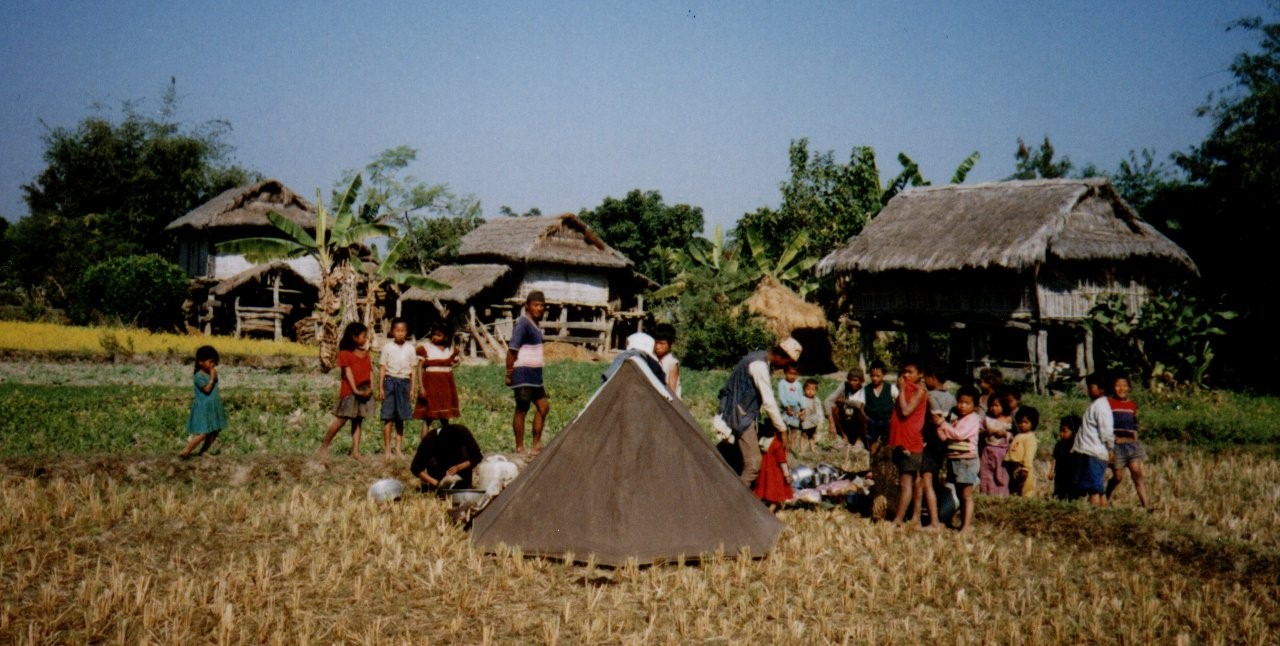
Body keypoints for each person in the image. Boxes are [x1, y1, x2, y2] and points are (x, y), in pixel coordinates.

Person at [712, 338, 803, 487]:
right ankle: (734, 500)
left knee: (730, 455)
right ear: (782, 356)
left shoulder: (759, 356)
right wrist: (782, 429)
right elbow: (769, 402)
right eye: (785, 364)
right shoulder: (759, 366)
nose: (783, 368)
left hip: (738, 411)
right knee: (754, 464)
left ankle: (721, 485)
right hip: (739, 416)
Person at [319, 323, 375, 458]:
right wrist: (355, 390)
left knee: (358, 420)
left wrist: (371, 387)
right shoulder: (345, 353)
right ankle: (324, 447)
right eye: (363, 336)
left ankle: (355, 452)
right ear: (354, 337)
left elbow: (370, 371)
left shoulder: (366, 354)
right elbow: (348, 373)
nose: (366, 339)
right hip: (350, 391)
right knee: (341, 420)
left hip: (364, 389)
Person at [507, 291, 550, 456]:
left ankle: (536, 445)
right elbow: (512, 350)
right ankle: (520, 447)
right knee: (522, 409)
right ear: (527, 306)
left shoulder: (535, 324)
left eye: (542, 306)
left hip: (535, 375)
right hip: (523, 373)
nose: (539, 308)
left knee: (544, 407)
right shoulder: (523, 323)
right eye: (536, 305)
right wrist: (509, 373)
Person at [934, 386, 982, 532]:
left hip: (966, 460)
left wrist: (942, 424)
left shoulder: (973, 419)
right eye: (960, 402)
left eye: (967, 403)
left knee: (966, 495)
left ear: (975, 406)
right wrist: (939, 427)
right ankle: (963, 524)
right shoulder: (958, 419)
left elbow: (958, 435)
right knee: (961, 494)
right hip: (955, 459)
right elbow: (946, 437)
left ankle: (966, 526)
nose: (962, 406)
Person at [889, 359, 929, 528]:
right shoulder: (908, 389)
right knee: (909, 481)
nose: (905, 375)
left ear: (920, 375)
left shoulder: (919, 391)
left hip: (910, 442)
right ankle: (914, 517)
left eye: (910, 372)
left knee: (906, 483)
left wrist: (902, 390)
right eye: (904, 371)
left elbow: (905, 411)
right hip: (902, 440)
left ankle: (898, 519)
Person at [1105, 375, 1151, 509]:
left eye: (1124, 385)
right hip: (1116, 445)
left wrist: (1135, 438)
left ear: (1129, 388)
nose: (1121, 388)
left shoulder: (1132, 405)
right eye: (1118, 385)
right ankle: (1105, 495)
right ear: (1113, 387)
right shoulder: (1109, 404)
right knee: (1118, 477)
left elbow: (1134, 425)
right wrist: (1110, 446)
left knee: (1137, 472)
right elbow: (1105, 425)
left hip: (1131, 444)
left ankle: (1146, 506)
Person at [1072, 373, 1115, 507]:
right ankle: (1102, 516)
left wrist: (1110, 448)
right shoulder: (1098, 405)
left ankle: (1094, 516)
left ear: (1101, 389)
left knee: (1093, 490)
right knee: (1098, 489)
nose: (1089, 390)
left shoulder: (1101, 407)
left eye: (1091, 387)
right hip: (1092, 452)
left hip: (1094, 453)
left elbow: (1106, 431)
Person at [920, 365, 956, 527]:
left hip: (931, 441)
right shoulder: (951, 398)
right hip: (944, 442)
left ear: (932, 378)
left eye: (926, 378)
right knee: (933, 478)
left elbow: (935, 419)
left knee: (926, 480)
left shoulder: (930, 396)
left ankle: (934, 520)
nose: (924, 381)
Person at [378, 318, 418, 458]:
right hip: (390, 381)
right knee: (388, 417)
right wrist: (381, 388)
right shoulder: (387, 347)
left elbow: (413, 370)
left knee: (400, 418)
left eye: (403, 331)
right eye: (397, 330)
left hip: (404, 383)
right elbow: (382, 368)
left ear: (406, 332)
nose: (400, 333)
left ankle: (398, 449)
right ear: (392, 331)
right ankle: (387, 450)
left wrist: (412, 389)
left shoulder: (410, 348)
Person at [415, 323, 461, 439]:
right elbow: (419, 367)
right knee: (428, 417)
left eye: (439, 335)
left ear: (445, 337)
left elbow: (455, 362)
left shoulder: (450, 349)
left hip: (446, 385)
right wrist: (421, 386)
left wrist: (455, 363)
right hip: (431, 385)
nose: (435, 337)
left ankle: (446, 445)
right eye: (433, 334)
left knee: (445, 417)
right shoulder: (426, 348)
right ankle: (424, 447)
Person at [181, 345, 228, 459]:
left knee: (214, 431)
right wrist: (212, 379)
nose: (213, 365)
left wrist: (213, 376)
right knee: (203, 432)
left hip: (212, 406)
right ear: (201, 362)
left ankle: (202, 452)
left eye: (214, 362)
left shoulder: (211, 373)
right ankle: (187, 450)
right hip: (203, 407)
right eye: (210, 362)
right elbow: (207, 390)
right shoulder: (198, 376)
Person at [410, 423, 483, 491]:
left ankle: (463, 484)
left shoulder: (462, 432)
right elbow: (415, 468)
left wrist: (458, 467)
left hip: (461, 475)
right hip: (440, 476)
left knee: (466, 452)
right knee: (432, 460)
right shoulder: (430, 440)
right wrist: (436, 483)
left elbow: (477, 456)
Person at [752, 425, 793, 511]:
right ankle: (769, 513)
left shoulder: (765, 441)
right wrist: (787, 475)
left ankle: (755, 509)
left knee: (763, 490)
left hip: (764, 472)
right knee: (775, 497)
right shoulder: (777, 444)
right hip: (775, 474)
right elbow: (782, 462)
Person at [979, 394, 1012, 496]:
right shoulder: (987, 419)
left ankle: (1001, 494)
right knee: (987, 472)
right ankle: (987, 493)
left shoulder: (1008, 419)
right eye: (991, 405)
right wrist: (986, 431)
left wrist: (1005, 434)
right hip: (988, 450)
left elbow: (1015, 436)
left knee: (1000, 473)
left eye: (997, 405)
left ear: (1003, 406)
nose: (994, 408)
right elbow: (978, 431)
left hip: (1002, 451)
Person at [862, 361, 898, 455]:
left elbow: (898, 402)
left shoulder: (890, 388)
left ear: (883, 375)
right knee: (872, 443)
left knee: (887, 443)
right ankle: (873, 460)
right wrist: (865, 417)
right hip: (872, 420)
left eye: (877, 376)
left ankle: (886, 457)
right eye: (872, 376)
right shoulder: (866, 389)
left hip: (887, 419)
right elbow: (861, 405)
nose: (874, 378)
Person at [825, 368, 867, 448]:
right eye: (850, 380)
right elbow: (828, 401)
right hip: (847, 417)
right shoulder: (844, 385)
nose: (852, 383)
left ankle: (860, 440)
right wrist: (831, 423)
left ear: (861, 381)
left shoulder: (865, 389)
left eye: (855, 380)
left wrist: (845, 401)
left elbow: (860, 405)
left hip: (860, 420)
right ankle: (844, 438)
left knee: (861, 411)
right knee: (834, 408)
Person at [1006, 406, 1040, 497]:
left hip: (1024, 468)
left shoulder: (1030, 438)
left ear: (1033, 423)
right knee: (1016, 487)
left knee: (1027, 488)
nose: (1022, 425)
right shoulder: (1019, 435)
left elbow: (1029, 454)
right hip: (1016, 467)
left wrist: (1026, 469)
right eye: (1020, 422)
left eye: (1026, 422)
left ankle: (1027, 502)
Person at [1050, 415, 1083, 500]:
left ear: (1074, 431)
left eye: (1064, 431)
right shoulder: (1059, 445)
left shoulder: (1078, 446)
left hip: (1072, 475)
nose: (1061, 434)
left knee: (1073, 493)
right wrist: (1052, 471)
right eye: (1060, 431)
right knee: (1060, 492)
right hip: (1060, 474)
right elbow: (1055, 458)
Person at [777, 365, 804, 453]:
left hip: (796, 408)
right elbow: (782, 396)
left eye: (795, 374)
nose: (792, 376)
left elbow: (800, 397)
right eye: (790, 374)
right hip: (785, 408)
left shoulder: (798, 384)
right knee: (784, 427)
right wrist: (786, 406)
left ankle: (791, 446)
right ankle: (785, 444)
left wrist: (802, 408)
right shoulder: (782, 383)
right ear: (785, 373)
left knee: (794, 428)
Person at [652, 323, 682, 399]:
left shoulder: (672, 363)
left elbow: (672, 391)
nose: (657, 346)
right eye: (656, 342)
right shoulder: (652, 359)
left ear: (670, 345)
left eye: (662, 343)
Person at [797, 378, 823, 455]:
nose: (810, 391)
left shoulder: (817, 400)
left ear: (816, 391)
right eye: (808, 389)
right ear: (804, 390)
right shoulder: (802, 399)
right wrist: (800, 415)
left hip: (813, 420)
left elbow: (819, 410)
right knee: (803, 435)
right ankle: (801, 450)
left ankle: (813, 448)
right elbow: (800, 409)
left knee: (811, 435)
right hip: (805, 419)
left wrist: (820, 419)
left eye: (813, 390)